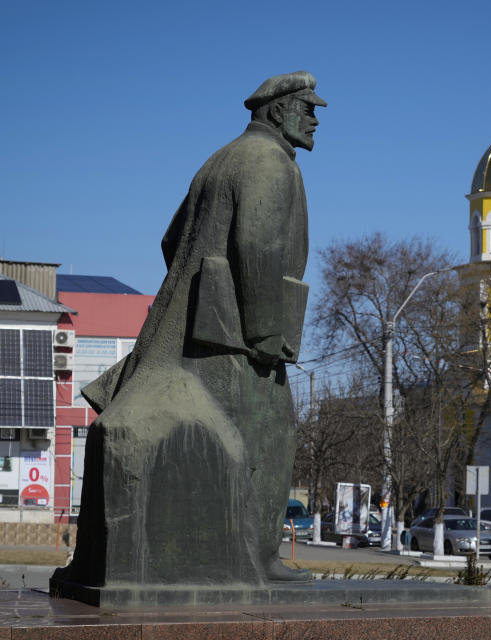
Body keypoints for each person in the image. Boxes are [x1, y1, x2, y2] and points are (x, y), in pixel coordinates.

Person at [52, 71, 325, 593]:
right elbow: (258, 249)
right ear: (275, 111)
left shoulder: (219, 160)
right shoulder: (270, 162)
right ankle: (259, 558)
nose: (314, 119)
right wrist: (266, 333)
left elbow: (170, 239)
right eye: (307, 108)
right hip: (237, 338)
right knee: (271, 437)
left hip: (191, 330)